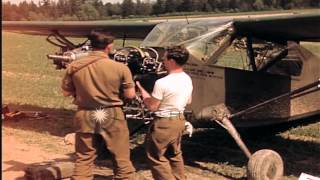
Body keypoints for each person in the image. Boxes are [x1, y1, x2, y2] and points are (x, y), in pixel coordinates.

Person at [61, 31, 136, 180]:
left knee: (84, 158)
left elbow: (66, 92)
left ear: (91, 45)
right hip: (111, 114)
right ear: (109, 47)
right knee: (121, 158)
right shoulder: (120, 68)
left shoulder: (74, 66)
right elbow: (130, 95)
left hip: (86, 114)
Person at [136, 46, 193, 180]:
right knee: (175, 154)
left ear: (172, 61)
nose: (162, 60)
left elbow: (152, 106)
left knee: (156, 157)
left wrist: (141, 90)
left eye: (165, 58)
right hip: (179, 120)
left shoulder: (162, 83)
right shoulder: (187, 78)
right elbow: (189, 100)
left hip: (164, 123)